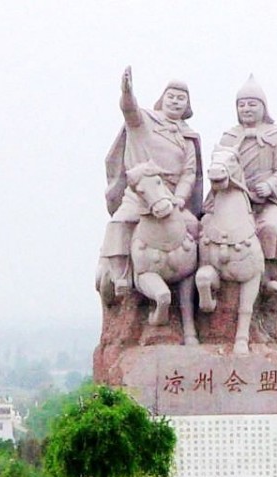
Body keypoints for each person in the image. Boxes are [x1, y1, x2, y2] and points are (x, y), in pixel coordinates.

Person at [98, 66, 202, 302]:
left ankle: (200, 285)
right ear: (162, 99)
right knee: (120, 222)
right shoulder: (144, 121)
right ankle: (121, 274)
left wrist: (180, 198)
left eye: (181, 99)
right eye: (171, 97)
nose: (175, 102)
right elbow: (129, 110)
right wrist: (127, 92)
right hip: (141, 192)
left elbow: (189, 173)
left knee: (196, 227)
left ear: (187, 106)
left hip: (171, 197)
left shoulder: (188, 137)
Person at [219, 75, 277, 295]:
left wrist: (270, 186)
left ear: (263, 107)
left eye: (252, 104)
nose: (247, 108)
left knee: (271, 227)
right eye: (242, 104)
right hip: (238, 195)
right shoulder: (229, 138)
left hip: (270, 200)